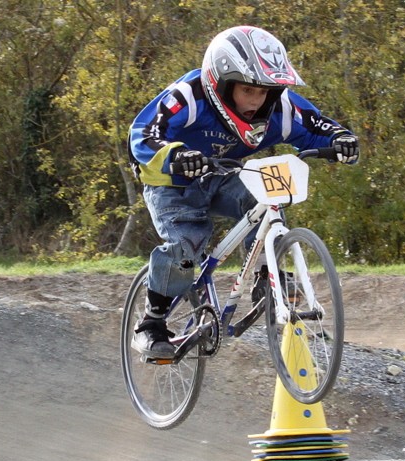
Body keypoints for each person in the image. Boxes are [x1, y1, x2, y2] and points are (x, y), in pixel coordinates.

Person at [127, 25, 359, 359]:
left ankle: (269, 277)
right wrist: (175, 154)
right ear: (220, 83)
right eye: (247, 89)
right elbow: (143, 133)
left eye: (263, 91)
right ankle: (150, 325)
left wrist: (340, 140)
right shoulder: (189, 96)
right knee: (186, 246)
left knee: (265, 197)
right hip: (172, 183)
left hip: (224, 173)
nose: (255, 100)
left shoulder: (279, 109)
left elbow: (315, 126)